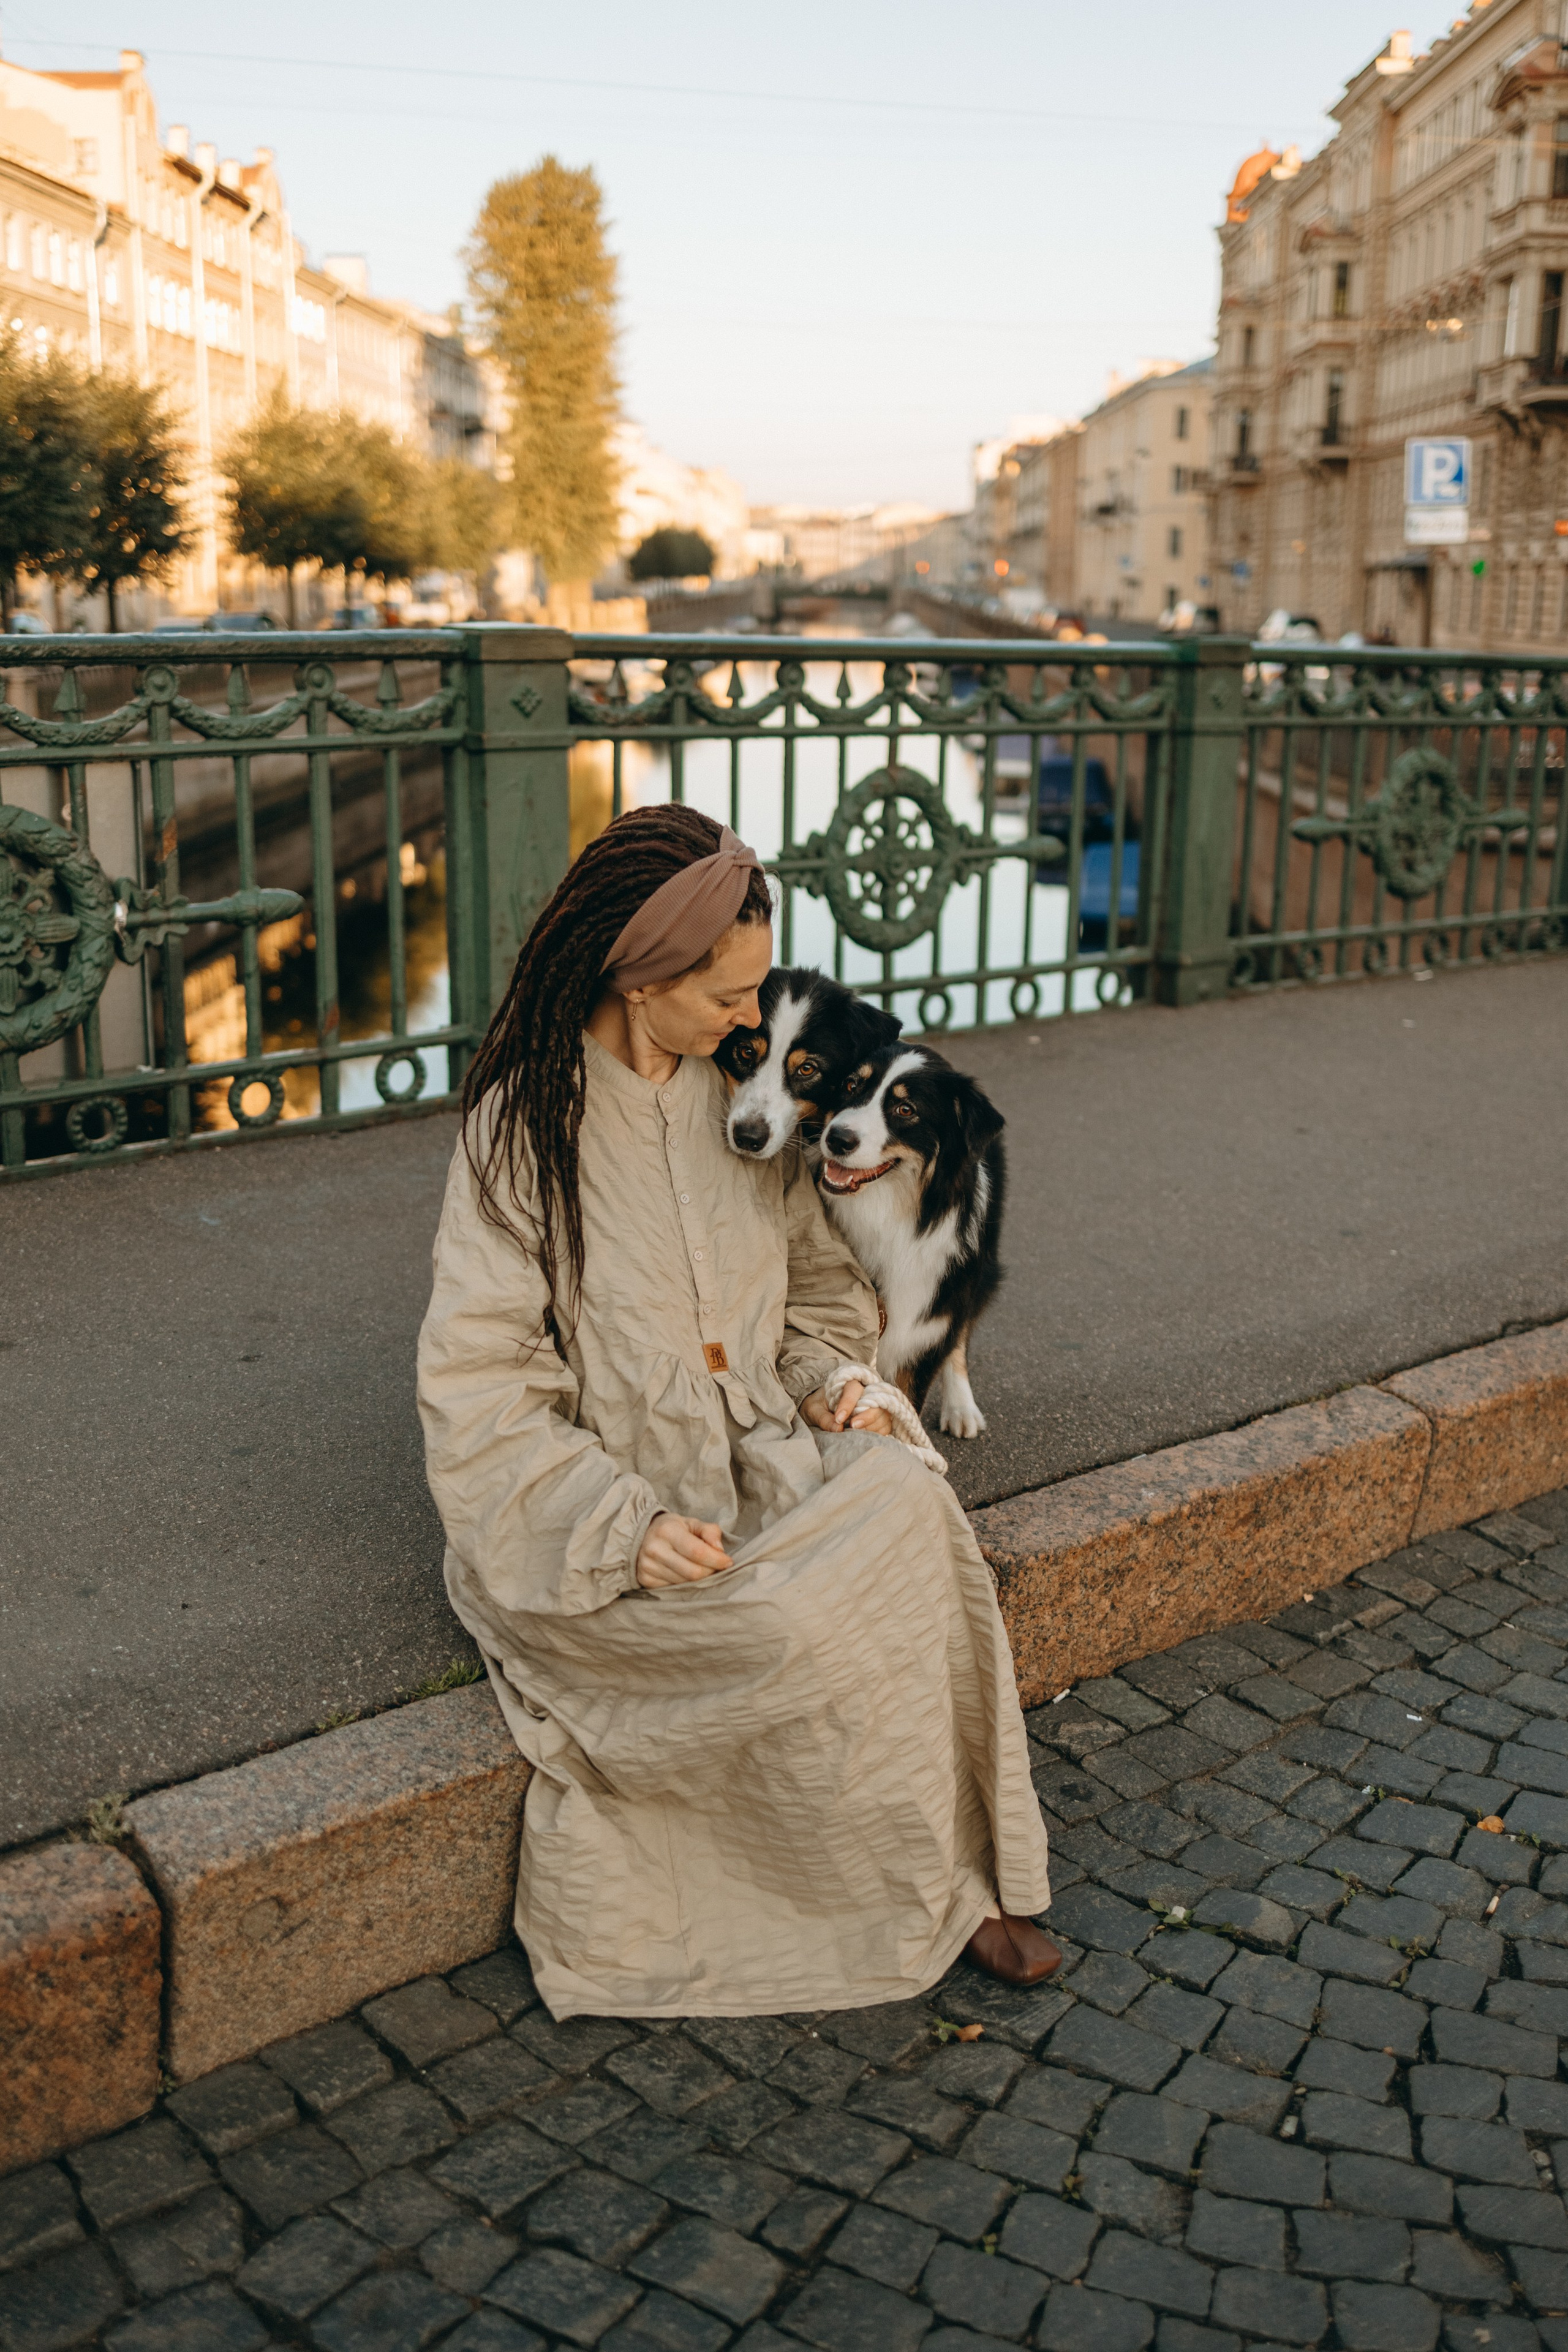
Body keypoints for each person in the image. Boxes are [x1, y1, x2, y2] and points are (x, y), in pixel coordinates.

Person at [417, 805, 1057, 2019]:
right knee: (788, 1629)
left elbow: (813, 1289)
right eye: (728, 997)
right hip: (602, 1511)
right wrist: (615, 1517)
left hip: (766, 1455)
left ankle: (948, 1877)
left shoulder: (741, 1099)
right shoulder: (521, 1130)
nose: (753, 1025)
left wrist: (834, 1386)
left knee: (919, 1514)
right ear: (639, 976)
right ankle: (863, 1899)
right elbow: (480, 1383)